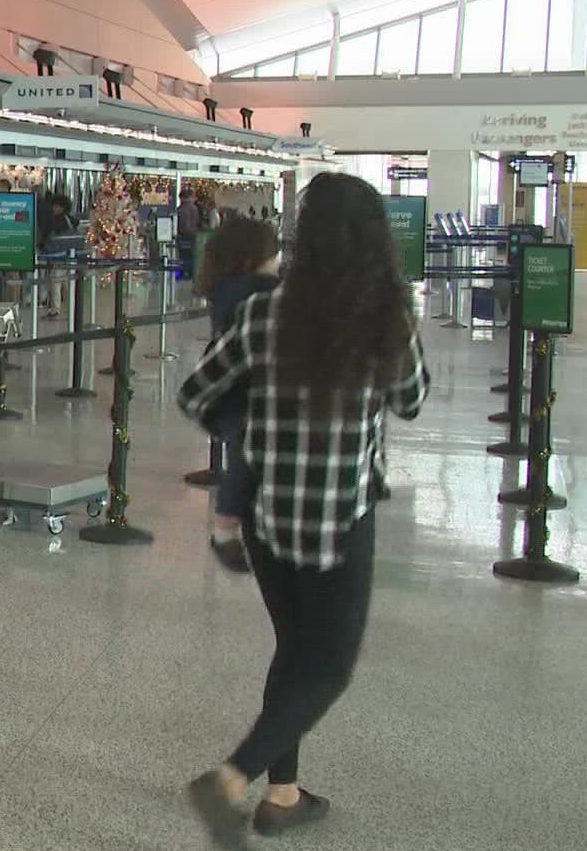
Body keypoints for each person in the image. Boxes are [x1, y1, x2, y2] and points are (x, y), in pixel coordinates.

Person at [179, 173, 430, 847]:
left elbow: (198, 392)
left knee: (296, 648)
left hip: (265, 514)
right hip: (338, 518)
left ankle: (283, 795)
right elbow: (412, 399)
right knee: (328, 666)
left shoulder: (263, 314)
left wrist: (252, 425)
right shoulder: (385, 318)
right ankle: (232, 780)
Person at [192, 214, 282, 574]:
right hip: (246, 385)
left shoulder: (223, 288)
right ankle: (227, 525)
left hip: (228, 387)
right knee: (247, 455)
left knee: (240, 453)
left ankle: (229, 524)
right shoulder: (255, 293)